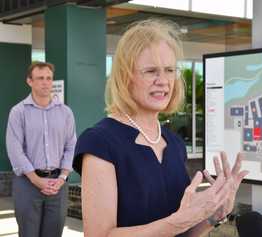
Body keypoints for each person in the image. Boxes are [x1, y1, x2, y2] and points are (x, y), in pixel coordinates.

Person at [73, 19, 248, 237]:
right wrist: (178, 221)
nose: (163, 80)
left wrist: (214, 215)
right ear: (125, 76)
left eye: (169, 70)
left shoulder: (174, 143)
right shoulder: (100, 143)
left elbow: (185, 232)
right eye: (151, 71)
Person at [6, 62, 77, 237]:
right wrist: (35, 179)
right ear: (29, 81)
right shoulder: (18, 112)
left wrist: (62, 178)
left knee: (54, 233)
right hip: (27, 183)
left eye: (49, 78)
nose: (45, 82)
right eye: (40, 78)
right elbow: (15, 149)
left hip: (57, 184)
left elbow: (71, 146)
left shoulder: (66, 112)